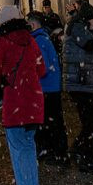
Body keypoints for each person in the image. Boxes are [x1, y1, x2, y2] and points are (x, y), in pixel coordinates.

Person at [0, 6, 45, 185]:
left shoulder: (1, 40)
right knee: (29, 148)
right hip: (34, 101)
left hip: (14, 101)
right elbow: (41, 69)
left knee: (18, 151)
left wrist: (2, 80)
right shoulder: (31, 39)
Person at [62, 0, 93, 173]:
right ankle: (86, 157)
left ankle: (80, 150)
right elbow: (88, 45)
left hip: (82, 81)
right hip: (81, 82)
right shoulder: (80, 30)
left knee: (91, 120)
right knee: (92, 120)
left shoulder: (79, 28)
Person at [27, 10, 67, 162]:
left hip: (45, 87)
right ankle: (56, 151)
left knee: (49, 121)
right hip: (50, 86)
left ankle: (53, 151)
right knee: (53, 121)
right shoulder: (44, 38)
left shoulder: (38, 41)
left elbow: (42, 66)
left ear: (33, 24)